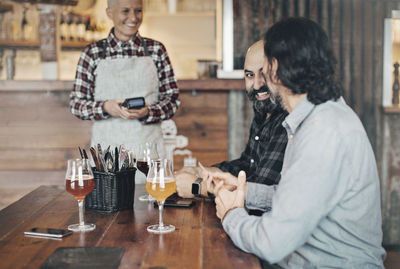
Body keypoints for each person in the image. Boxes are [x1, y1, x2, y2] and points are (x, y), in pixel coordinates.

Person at [211, 17, 386, 268]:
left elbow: (271, 243)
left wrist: (231, 215)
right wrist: (246, 191)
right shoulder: (316, 117)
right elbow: (298, 198)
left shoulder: (323, 132)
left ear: (274, 68)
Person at [69, 0, 180, 182]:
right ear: (109, 13)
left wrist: (148, 112)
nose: (133, 17)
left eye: (138, 11)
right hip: (107, 156)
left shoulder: (156, 50)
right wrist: (105, 107)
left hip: (148, 154)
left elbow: (172, 100)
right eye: (125, 11)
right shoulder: (92, 53)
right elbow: (76, 104)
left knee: (149, 205)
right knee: (110, 203)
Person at [175, 40, 288, 214]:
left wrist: (199, 186)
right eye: (249, 75)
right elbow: (247, 164)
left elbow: (258, 191)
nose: (257, 84)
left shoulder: (287, 119)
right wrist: (205, 171)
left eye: (263, 74)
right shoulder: (263, 112)